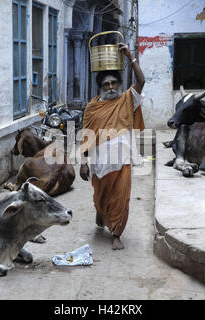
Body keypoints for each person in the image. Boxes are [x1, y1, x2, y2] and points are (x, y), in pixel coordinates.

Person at [79, 42, 145, 250]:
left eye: (114, 83)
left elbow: (141, 81)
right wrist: (83, 162)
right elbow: (86, 135)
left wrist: (130, 57)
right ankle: (100, 210)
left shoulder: (126, 99)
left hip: (123, 160)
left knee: (121, 197)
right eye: (106, 84)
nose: (110, 87)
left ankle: (116, 233)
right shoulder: (92, 107)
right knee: (100, 195)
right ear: (100, 86)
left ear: (119, 84)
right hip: (100, 163)